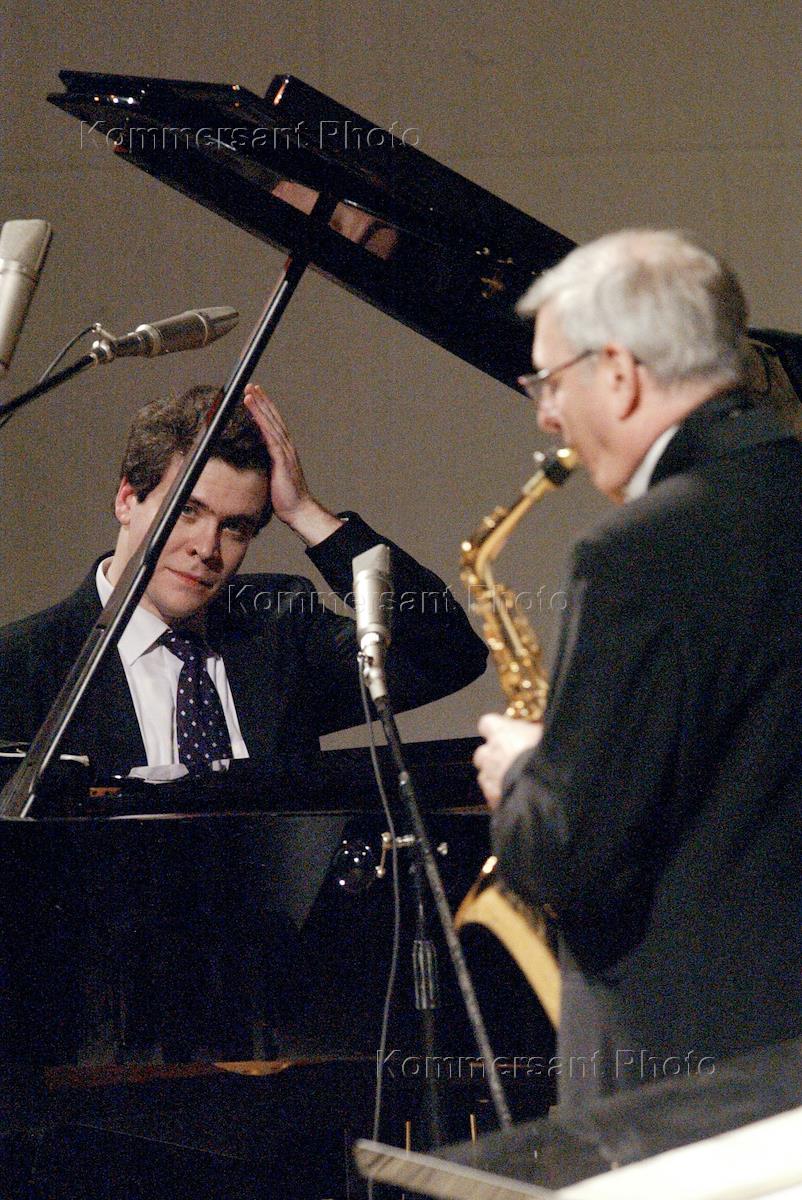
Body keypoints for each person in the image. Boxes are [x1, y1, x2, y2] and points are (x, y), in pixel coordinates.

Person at [473, 229, 802, 1116]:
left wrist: (521, 773)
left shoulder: (634, 553)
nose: (547, 416)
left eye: (550, 382)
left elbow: (569, 859)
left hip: (690, 1075)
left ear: (617, 372)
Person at [0, 382, 486, 793]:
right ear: (127, 499)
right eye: (187, 511)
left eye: (235, 527)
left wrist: (305, 513)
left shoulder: (278, 629)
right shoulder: (20, 667)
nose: (206, 548)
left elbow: (448, 654)